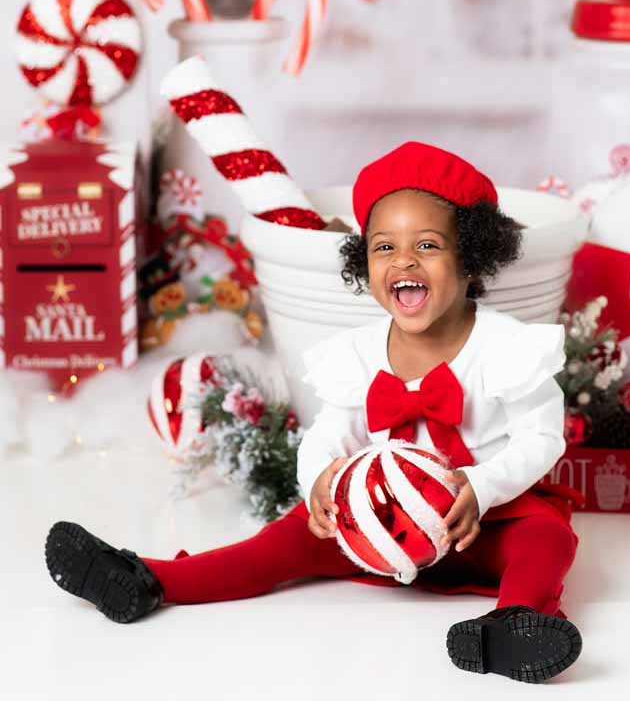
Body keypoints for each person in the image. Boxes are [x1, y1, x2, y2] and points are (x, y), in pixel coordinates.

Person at [45, 141, 582, 684]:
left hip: (478, 521)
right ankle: (151, 580)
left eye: (427, 245)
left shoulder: (506, 346)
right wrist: (319, 480)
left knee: (547, 539)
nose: (403, 261)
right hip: (381, 522)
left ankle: (515, 625)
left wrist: (483, 485)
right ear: (363, 263)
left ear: (471, 256)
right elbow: (328, 433)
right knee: (282, 542)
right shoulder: (360, 352)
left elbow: (542, 437)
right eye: (383, 247)